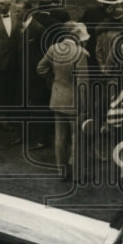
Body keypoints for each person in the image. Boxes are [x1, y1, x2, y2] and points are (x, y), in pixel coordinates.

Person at [37, 21, 89, 181]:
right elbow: (82, 82)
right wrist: (85, 105)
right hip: (74, 101)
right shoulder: (80, 53)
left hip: (57, 97)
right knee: (77, 138)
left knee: (60, 138)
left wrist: (53, 80)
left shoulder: (54, 49)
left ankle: (62, 172)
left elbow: (41, 68)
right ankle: (78, 175)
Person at [16, 0, 51, 152]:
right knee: (23, 106)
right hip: (22, 76)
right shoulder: (19, 27)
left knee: (39, 107)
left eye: (19, 11)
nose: (16, 14)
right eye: (15, 11)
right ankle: (25, 136)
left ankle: (43, 139)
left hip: (36, 78)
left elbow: (45, 54)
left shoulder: (38, 29)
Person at [0, 0, 21, 144]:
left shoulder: (17, 17)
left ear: (9, 5)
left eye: (2, 3)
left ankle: (12, 117)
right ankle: (1, 119)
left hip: (14, 61)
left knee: (13, 89)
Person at [80, 0, 123, 67]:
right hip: (110, 51)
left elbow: (80, 25)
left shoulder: (90, 11)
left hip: (92, 49)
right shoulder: (117, 15)